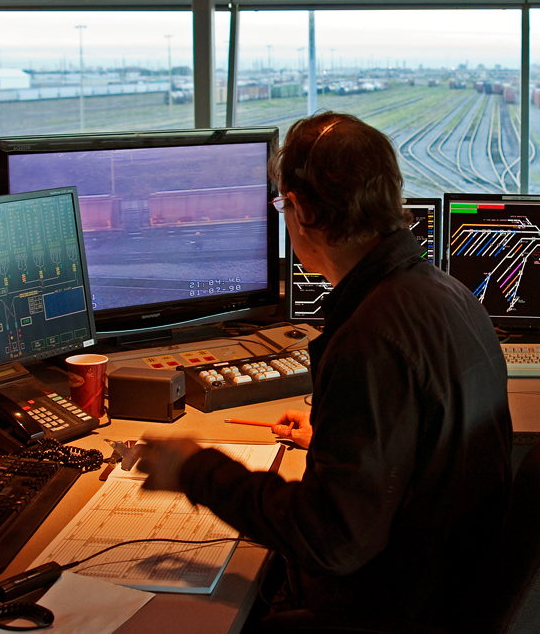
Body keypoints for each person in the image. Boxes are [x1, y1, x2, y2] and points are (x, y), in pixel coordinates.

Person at [136, 112, 512, 630]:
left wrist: (194, 470)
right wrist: (337, 441)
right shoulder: (443, 293)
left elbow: (332, 542)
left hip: (399, 611)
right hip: (455, 586)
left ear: (298, 209)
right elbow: (432, 451)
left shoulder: (371, 336)